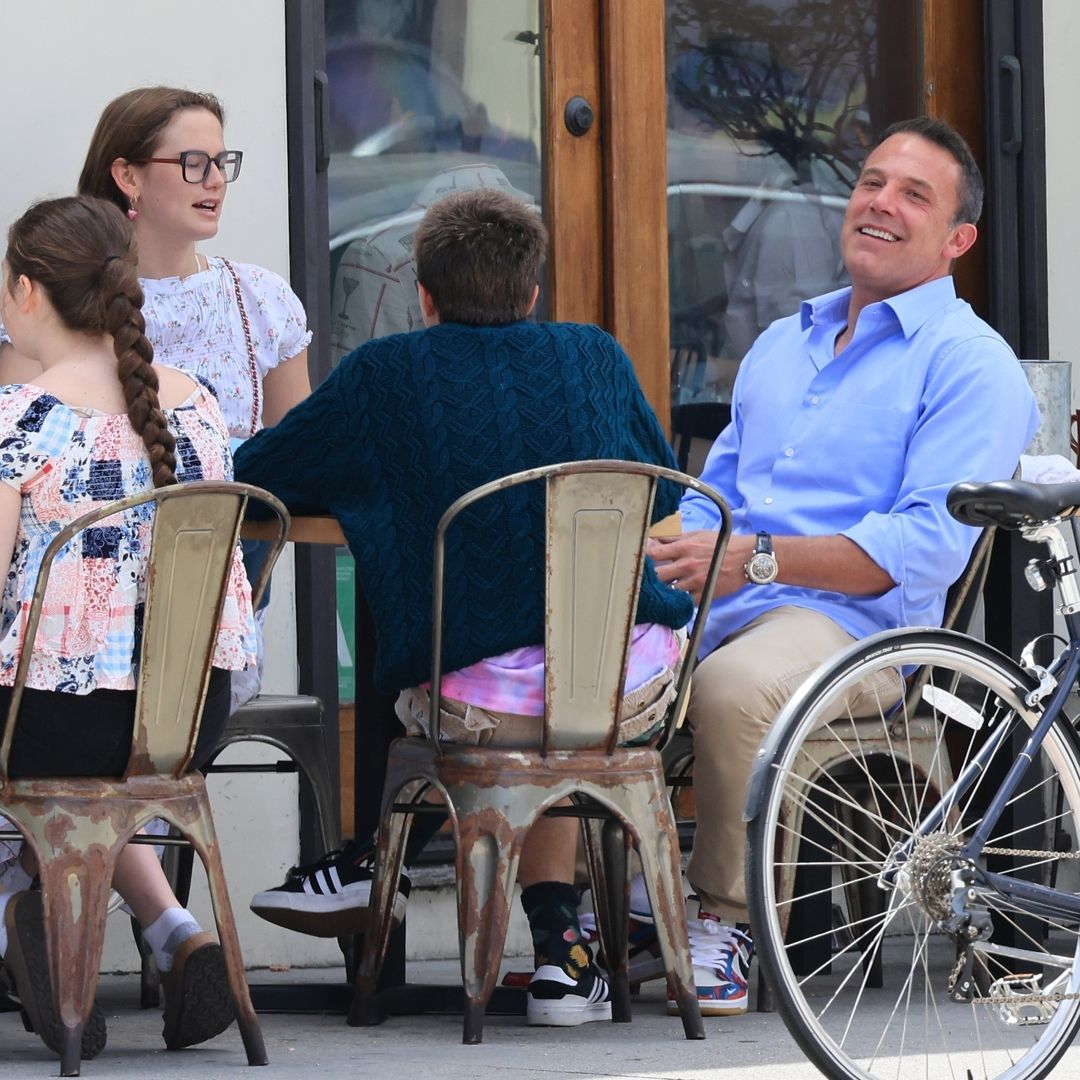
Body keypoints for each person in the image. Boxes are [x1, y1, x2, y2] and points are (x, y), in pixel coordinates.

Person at [233, 188, 693, 1028]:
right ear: (531, 293)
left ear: (425, 295)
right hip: (627, 693)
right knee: (554, 660)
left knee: (441, 629)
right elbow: (660, 492)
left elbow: (260, 470)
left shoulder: (385, 374)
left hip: (478, 710)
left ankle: (377, 862)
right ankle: (562, 957)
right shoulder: (594, 356)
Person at [643, 116, 1041, 1018]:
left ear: (958, 239)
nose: (881, 205)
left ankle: (730, 917)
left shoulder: (972, 366)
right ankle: (581, 925)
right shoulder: (787, 341)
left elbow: (924, 547)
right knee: (562, 648)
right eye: (871, 183)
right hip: (734, 593)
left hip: (862, 631)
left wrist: (758, 559)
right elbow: (722, 496)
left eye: (914, 195)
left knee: (736, 688)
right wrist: (658, 543)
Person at [0, 195, 256, 1058]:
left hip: (54, 723)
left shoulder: (21, 418)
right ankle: (175, 932)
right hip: (187, 721)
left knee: (54, 756)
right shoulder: (200, 409)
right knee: (90, 782)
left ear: (26, 291)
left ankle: (22, 923)